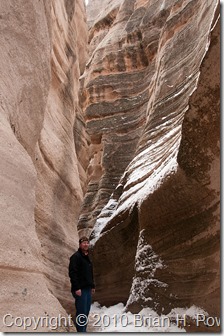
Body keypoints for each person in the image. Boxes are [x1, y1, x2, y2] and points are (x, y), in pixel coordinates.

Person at [69, 236, 95, 332]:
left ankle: (83, 330)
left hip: (87, 289)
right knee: (81, 312)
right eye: (84, 243)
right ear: (80, 244)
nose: (86, 244)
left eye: (87, 243)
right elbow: (72, 273)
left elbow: (90, 273)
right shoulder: (75, 257)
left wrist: (92, 286)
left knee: (86, 312)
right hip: (80, 289)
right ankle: (81, 331)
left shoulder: (87, 257)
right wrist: (77, 288)